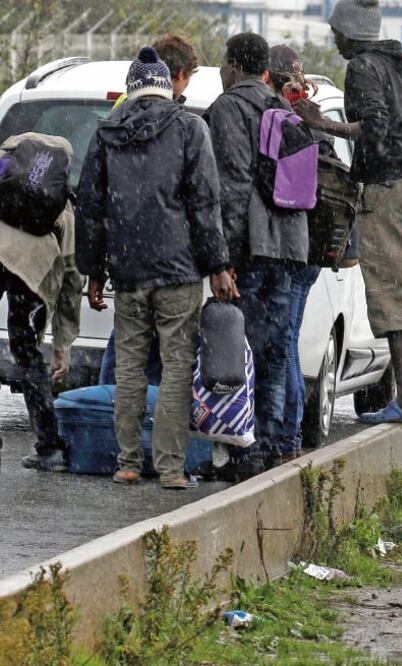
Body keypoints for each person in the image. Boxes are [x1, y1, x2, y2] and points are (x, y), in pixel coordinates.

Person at [76, 47, 236, 489]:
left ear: (131, 90)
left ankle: (127, 462)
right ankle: (169, 468)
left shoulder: (108, 132)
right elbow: (205, 204)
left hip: (128, 271)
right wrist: (218, 265)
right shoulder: (189, 129)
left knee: (128, 366)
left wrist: (93, 271)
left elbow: (91, 208)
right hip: (179, 271)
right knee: (177, 365)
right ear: (167, 87)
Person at [297, 0, 402, 426]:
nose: (335, 39)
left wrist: (321, 124)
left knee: (393, 299)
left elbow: (376, 130)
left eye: (337, 33)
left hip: (391, 190)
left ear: (353, 32)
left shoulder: (363, 67)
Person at [205, 32, 309, 478]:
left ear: (232, 65)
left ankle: (245, 450)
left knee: (241, 350)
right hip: (291, 246)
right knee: (276, 350)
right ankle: (271, 443)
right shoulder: (284, 108)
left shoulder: (229, 108)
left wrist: (222, 256)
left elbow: (230, 185)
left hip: (253, 246)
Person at [100, 33, 199, 382]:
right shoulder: (180, 123)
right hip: (169, 258)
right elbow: (200, 199)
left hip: (128, 253)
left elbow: (99, 194)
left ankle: (113, 422)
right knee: (162, 357)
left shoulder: (121, 110)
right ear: (179, 73)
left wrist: (95, 263)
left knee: (126, 349)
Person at [2, 134, 82, 472]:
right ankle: (49, 449)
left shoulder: (6, 177)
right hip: (32, 272)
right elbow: (70, 278)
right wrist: (62, 344)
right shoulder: (61, 206)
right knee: (27, 353)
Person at [269, 43, 322, 462]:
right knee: (287, 339)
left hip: (290, 246)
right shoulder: (311, 113)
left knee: (283, 341)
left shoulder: (288, 116)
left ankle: (288, 437)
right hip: (311, 248)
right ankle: (291, 434)